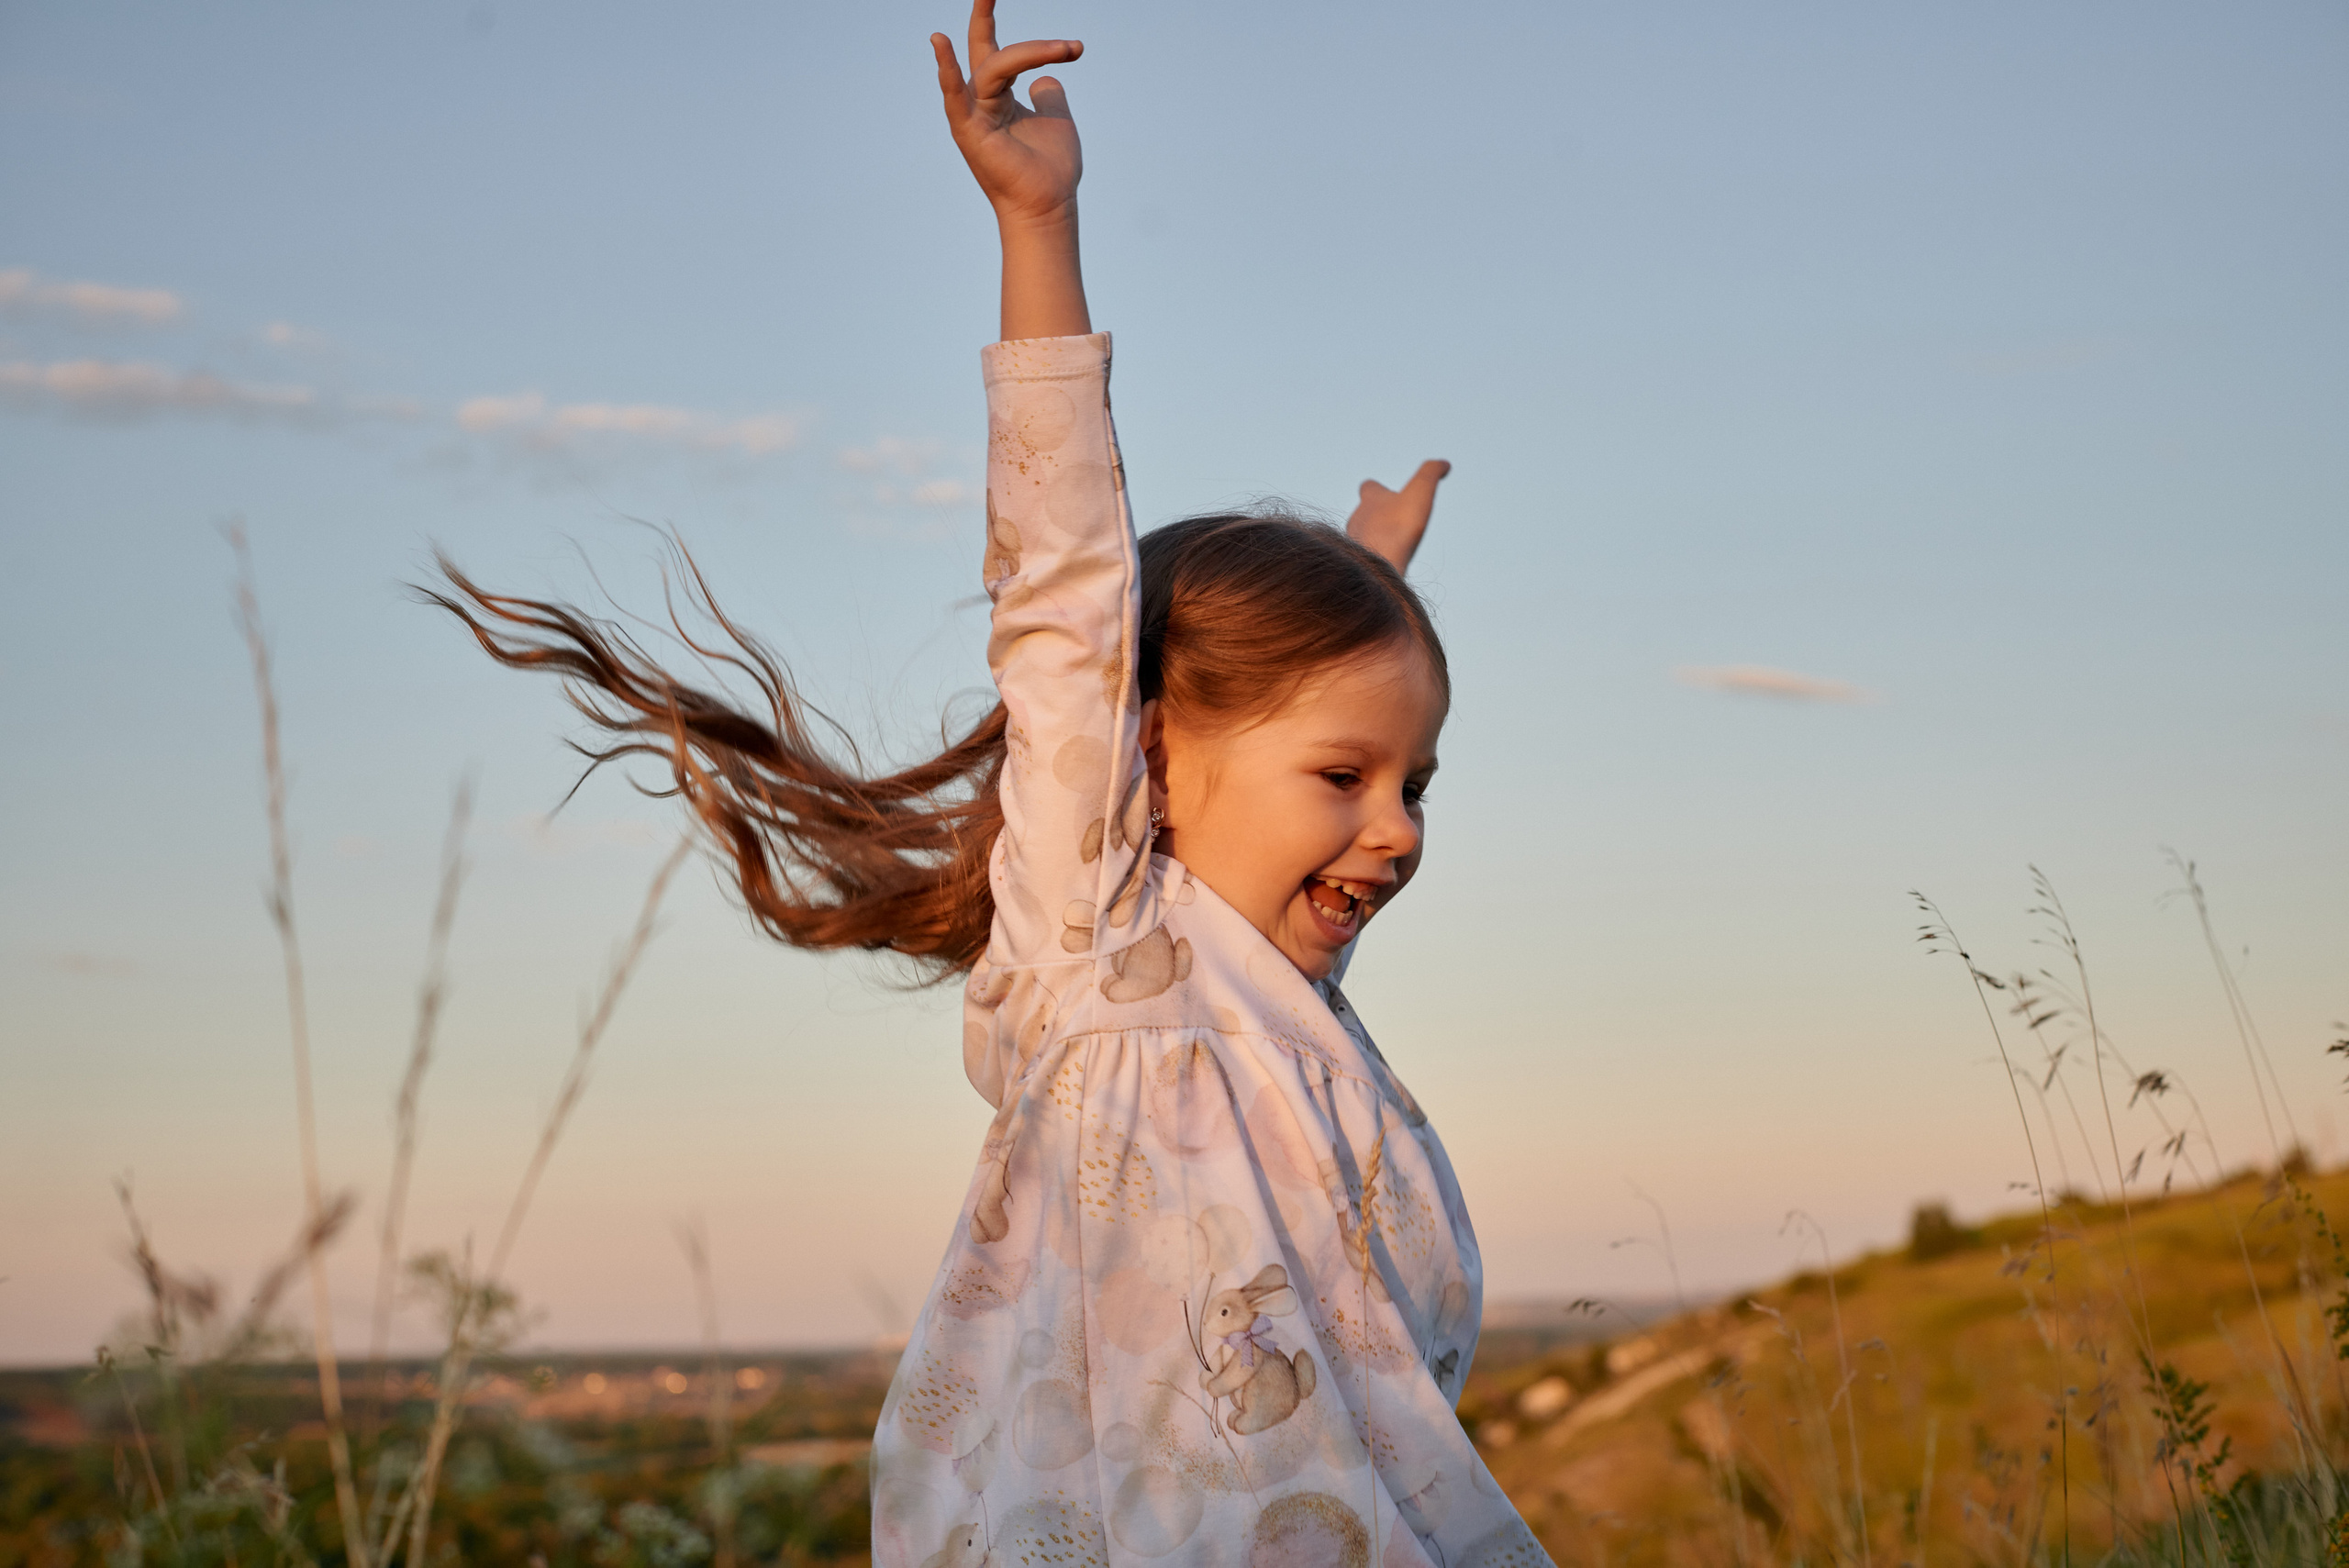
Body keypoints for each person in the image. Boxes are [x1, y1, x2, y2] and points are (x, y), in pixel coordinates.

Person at [433, 5, 1550, 1562]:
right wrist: (1042, 223)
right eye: (1350, 775)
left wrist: (1366, 581)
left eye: (1418, 779)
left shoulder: (1266, 991)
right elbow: (1068, 583)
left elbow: (1258, 734)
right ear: (1151, 748)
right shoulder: (1097, 946)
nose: (1399, 829)